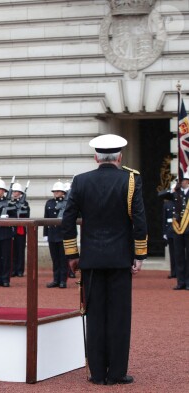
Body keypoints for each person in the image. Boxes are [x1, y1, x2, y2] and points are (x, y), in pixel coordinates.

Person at [61, 134, 147, 385]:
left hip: (91, 260)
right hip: (121, 258)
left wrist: (72, 255)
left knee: (95, 315)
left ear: (96, 157)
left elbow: (68, 221)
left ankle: (97, 373)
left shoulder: (80, 181)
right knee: (119, 316)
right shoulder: (131, 180)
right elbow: (139, 220)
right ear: (120, 157)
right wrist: (140, 254)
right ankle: (117, 372)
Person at [44, 181, 68, 288]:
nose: (56, 193)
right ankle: (56, 279)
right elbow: (45, 219)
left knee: (63, 259)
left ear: (63, 192)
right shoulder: (49, 203)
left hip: (63, 234)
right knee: (55, 259)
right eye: (55, 191)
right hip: (52, 234)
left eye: (58, 191)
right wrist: (45, 234)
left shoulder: (68, 203)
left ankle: (63, 280)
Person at [171, 173, 189, 290]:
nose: (181, 182)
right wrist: (173, 190)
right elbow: (161, 195)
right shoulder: (177, 193)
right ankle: (181, 281)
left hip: (188, 229)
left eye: (183, 180)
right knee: (179, 256)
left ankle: (188, 282)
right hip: (178, 229)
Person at [10, 182, 29, 278]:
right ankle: (13, 269)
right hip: (12, 228)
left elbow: (27, 215)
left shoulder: (25, 203)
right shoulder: (9, 202)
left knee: (20, 250)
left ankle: (20, 270)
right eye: (14, 191)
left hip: (20, 228)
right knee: (12, 250)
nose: (15, 193)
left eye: (17, 191)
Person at [162, 183, 176, 279]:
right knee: (172, 253)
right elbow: (164, 219)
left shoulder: (181, 201)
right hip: (170, 231)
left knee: (180, 254)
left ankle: (180, 272)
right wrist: (164, 232)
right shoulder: (167, 204)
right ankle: (173, 271)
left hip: (180, 230)